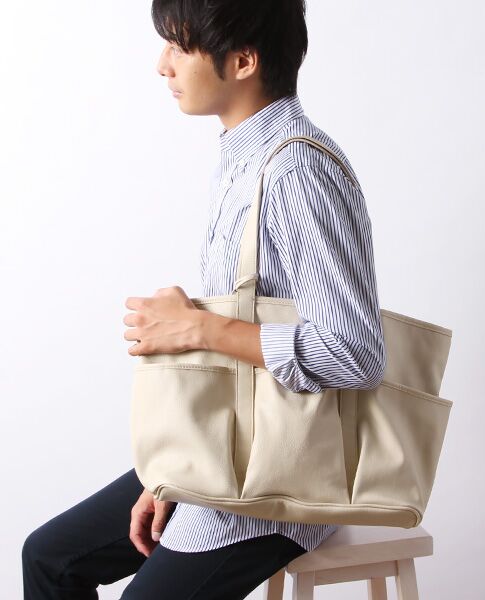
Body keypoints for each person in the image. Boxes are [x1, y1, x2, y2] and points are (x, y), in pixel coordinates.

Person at [21, 0, 386, 598]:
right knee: (49, 557)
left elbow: (355, 353)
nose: (162, 65)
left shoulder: (295, 170)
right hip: (227, 448)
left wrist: (197, 327)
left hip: (277, 478)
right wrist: (173, 470)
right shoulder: (242, 156)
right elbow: (235, 365)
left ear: (242, 61)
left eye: (179, 46)